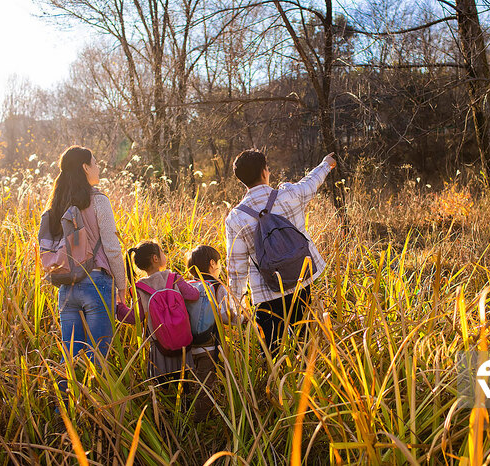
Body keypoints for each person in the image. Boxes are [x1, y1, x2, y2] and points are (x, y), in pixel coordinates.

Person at [224, 149, 337, 355]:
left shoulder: (235, 218)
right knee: (303, 341)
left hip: (267, 293)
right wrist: (326, 164)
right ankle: (304, 380)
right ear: (265, 172)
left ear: (242, 181)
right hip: (301, 280)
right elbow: (311, 182)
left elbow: (236, 268)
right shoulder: (289, 194)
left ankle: (276, 384)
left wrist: (235, 306)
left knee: (272, 351)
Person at [46, 145, 127, 361]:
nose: (98, 167)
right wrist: (122, 285)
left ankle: (66, 395)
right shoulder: (99, 200)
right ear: (85, 167)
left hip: (66, 286)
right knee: (99, 359)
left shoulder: (57, 205)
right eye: (95, 163)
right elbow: (111, 247)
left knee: (69, 360)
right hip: (97, 284)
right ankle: (97, 396)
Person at [119, 240, 200, 382]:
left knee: (162, 383)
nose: (164, 254)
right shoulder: (174, 278)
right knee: (183, 381)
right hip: (182, 342)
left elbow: (134, 318)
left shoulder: (139, 288)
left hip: (159, 346)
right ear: (155, 258)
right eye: (162, 252)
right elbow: (193, 295)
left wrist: (118, 306)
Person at [185, 244, 233, 421]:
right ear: (212, 264)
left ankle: (186, 411)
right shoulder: (217, 287)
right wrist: (244, 319)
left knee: (191, 380)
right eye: (219, 263)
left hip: (187, 345)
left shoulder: (187, 286)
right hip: (209, 346)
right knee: (206, 383)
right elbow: (226, 316)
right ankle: (202, 420)